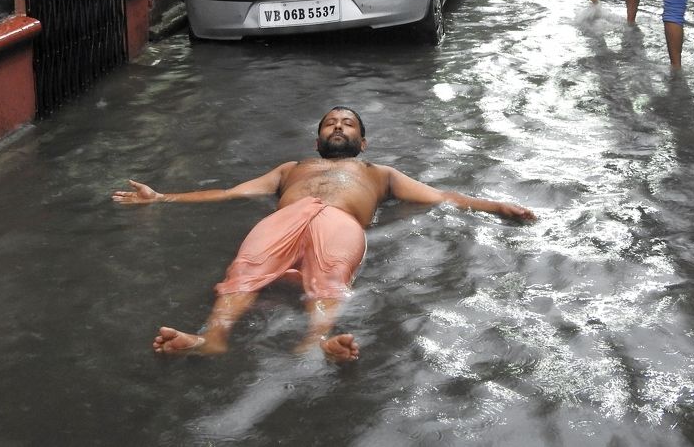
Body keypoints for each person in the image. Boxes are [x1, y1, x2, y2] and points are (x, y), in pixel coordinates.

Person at [112, 106, 536, 362]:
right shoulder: (291, 169)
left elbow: (441, 196)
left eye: (347, 124)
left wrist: (495, 206)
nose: (337, 127)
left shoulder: (379, 173)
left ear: (363, 141)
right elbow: (229, 193)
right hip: (286, 218)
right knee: (244, 271)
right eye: (330, 124)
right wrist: (162, 198)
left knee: (330, 277)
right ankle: (212, 338)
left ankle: (316, 343)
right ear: (317, 141)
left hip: (339, 222)